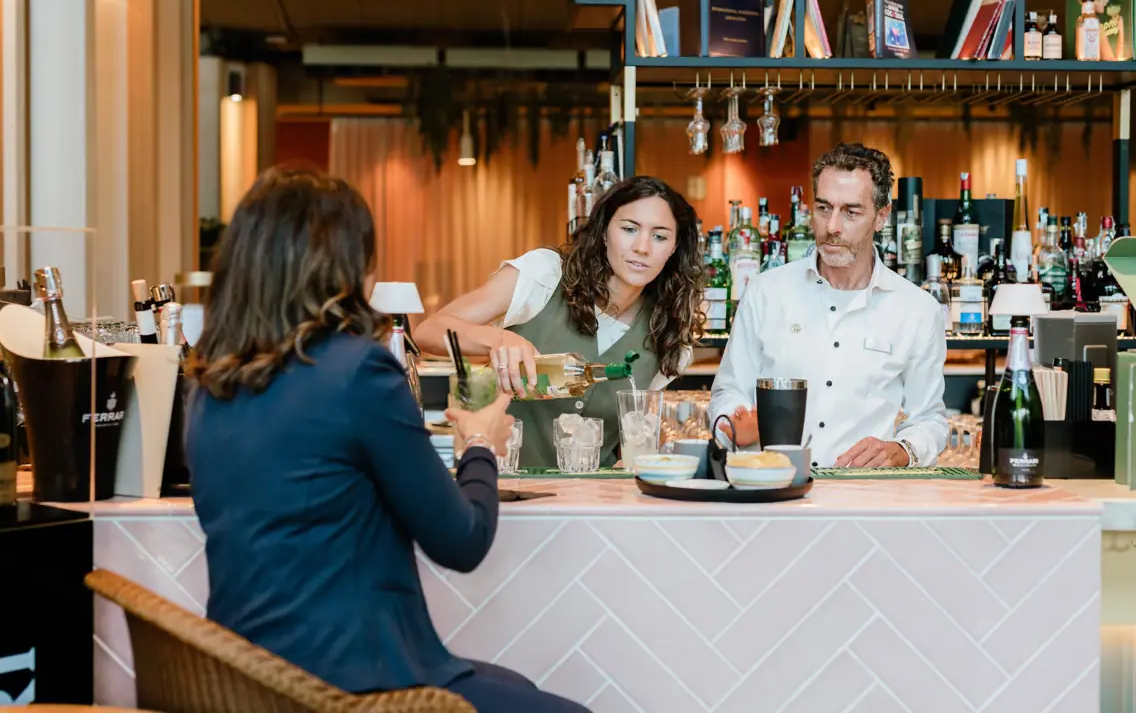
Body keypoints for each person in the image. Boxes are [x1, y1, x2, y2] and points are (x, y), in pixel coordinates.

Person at [185, 166, 588, 712]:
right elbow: (462, 541)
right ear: (341, 265)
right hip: (356, 680)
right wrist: (479, 445)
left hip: (243, 674)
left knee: (520, 692)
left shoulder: (210, 384)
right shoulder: (358, 371)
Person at [416, 176, 706, 467]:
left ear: (674, 248)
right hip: (500, 491)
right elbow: (428, 331)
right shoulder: (545, 275)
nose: (642, 247)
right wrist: (498, 339)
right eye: (629, 229)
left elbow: (635, 437)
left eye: (660, 236)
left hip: (594, 503)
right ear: (604, 232)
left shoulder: (669, 332)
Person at [708, 143, 948, 468]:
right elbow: (728, 392)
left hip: (863, 499)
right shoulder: (766, 292)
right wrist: (731, 425)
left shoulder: (917, 310)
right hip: (771, 490)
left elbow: (931, 419)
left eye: (851, 212)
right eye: (823, 208)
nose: (832, 226)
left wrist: (903, 450)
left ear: (881, 217)